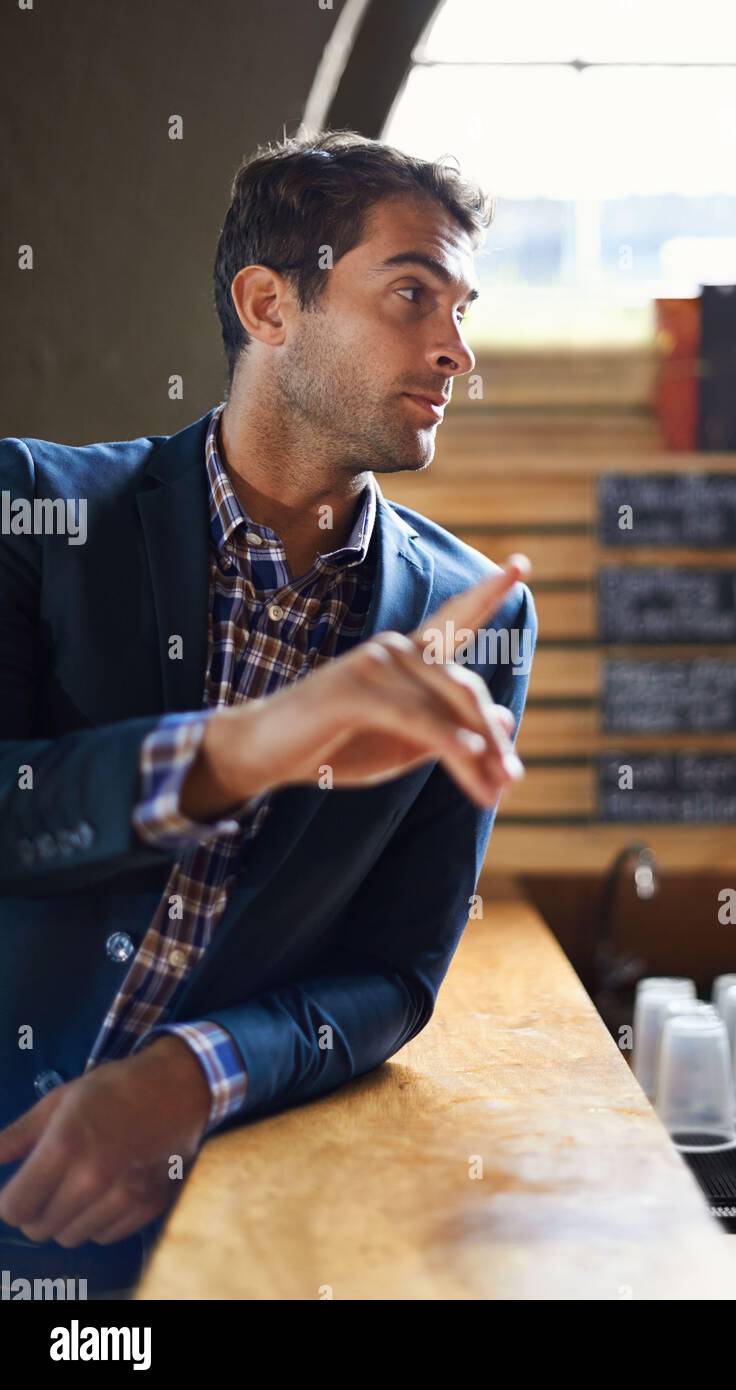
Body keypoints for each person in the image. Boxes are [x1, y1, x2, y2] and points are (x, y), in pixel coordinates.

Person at [0, 129, 536, 1293]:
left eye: (464, 308)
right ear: (268, 304)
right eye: (413, 295)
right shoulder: (36, 512)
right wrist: (248, 747)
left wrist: (194, 1075)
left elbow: (395, 973)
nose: (457, 350)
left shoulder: (476, 618)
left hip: (225, 1225)